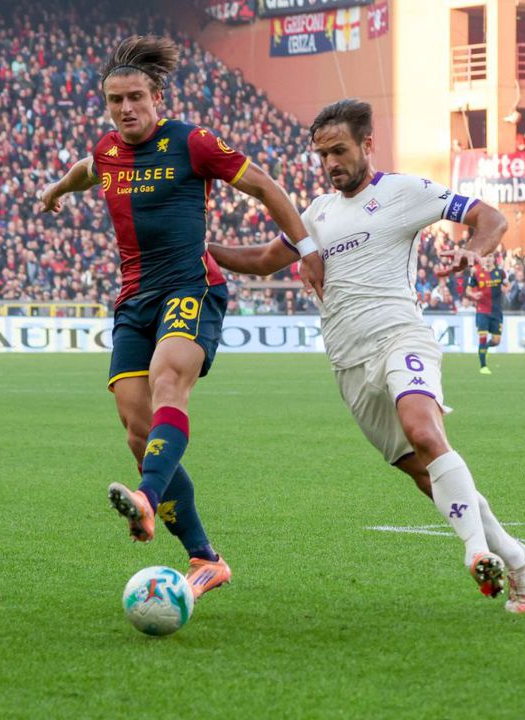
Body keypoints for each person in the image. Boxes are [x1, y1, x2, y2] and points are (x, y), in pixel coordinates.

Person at [208, 99, 525, 614]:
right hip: (348, 362)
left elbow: (490, 218)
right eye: (322, 155)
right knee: (423, 472)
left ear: (367, 144)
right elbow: (264, 260)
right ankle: (516, 557)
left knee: (424, 431)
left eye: (339, 151)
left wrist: (473, 250)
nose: (330, 163)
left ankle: (477, 552)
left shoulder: (403, 192)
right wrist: (201, 249)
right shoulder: (317, 213)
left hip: (399, 336)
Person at [38, 36, 323, 600]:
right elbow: (85, 170)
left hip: (192, 286)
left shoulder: (191, 142)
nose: (126, 108)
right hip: (133, 300)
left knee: (169, 379)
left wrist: (307, 249)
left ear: (157, 98)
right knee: (136, 429)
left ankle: (146, 498)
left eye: (135, 97)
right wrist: (55, 189)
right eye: (115, 100)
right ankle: (205, 558)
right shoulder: (107, 151)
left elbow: (264, 185)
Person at [466, 253, 505, 374]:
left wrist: (506, 289)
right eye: (485, 257)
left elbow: (507, 285)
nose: (488, 259)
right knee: (482, 337)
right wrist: (473, 294)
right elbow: (468, 290)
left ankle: (486, 348)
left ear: (494, 259)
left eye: (490, 256)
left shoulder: (500, 273)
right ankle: (483, 366)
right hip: (482, 311)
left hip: (496, 312)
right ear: (482, 259)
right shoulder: (476, 273)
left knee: (496, 341)